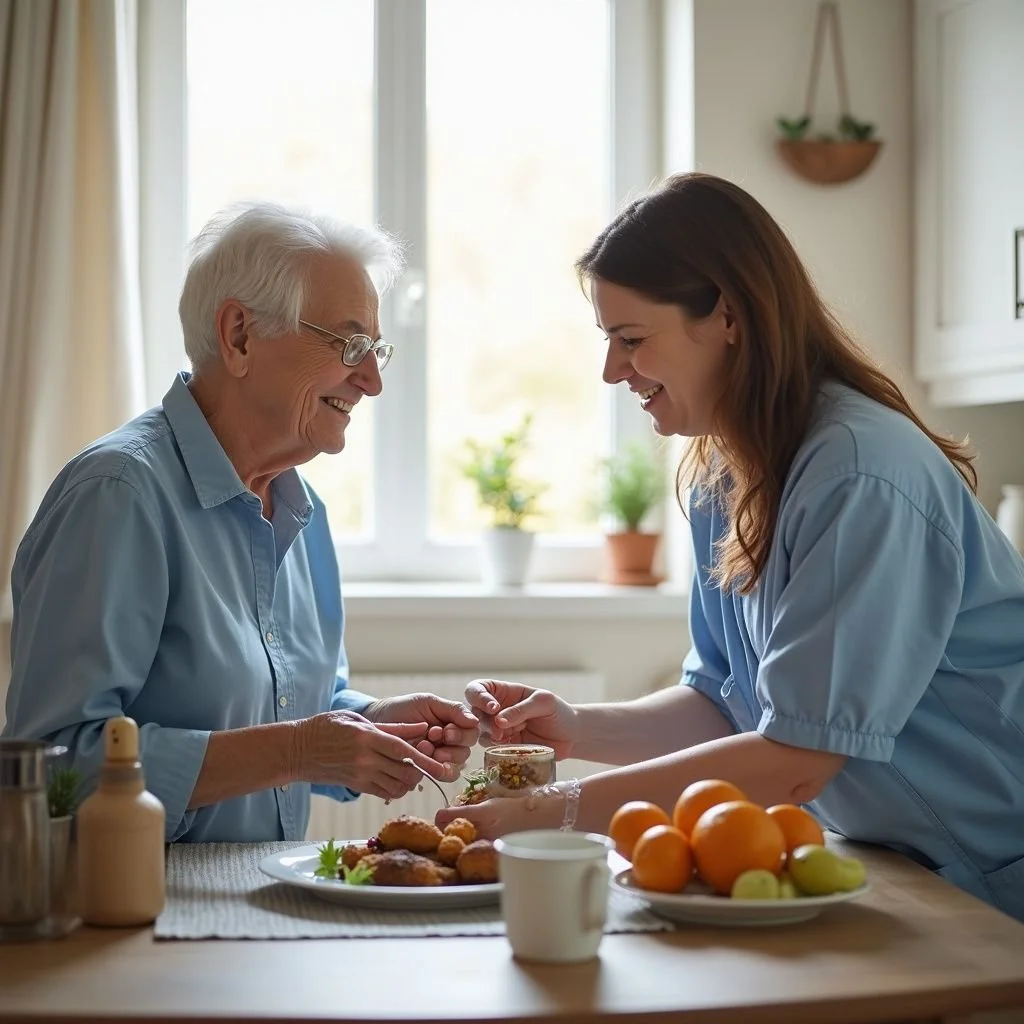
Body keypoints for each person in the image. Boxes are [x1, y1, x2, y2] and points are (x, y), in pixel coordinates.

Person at [437, 172, 1024, 921]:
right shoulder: (724, 471)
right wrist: (577, 729)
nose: (613, 371)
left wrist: (546, 812)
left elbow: (795, 759)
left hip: (994, 876)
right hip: (904, 869)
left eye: (631, 340)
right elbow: (726, 702)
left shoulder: (858, 473)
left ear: (728, 316)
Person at [4, 201, 478, 842]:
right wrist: (295, 751)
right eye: (350, 344)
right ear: (240, 336)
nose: (370, 380)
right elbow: (53, 767)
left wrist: (374, 726)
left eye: (377, 350)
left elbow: (297, 709)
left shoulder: (302, 510)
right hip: (135, 917)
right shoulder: (118, 495)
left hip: (261, 906)